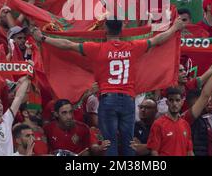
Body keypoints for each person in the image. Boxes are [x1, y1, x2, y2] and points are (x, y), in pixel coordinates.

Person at [34, 17, 185, 156]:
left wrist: (43, 38)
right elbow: (157, 40)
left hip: (108, 100)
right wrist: (174, 28)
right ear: (121, 30)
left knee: (109, 143)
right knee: (129, 143)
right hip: (128, 100)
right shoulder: (133, 46)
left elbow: (67, 45)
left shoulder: (97, 48)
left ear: (105, 28)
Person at [183, 56, 212, 156]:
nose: (206, 102)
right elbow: (205, 95)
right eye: (200, 101)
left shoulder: (204, 119)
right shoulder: (188, 118)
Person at [146, 87, 193, 156]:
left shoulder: (186, 125)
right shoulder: (158, 124)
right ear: (167, 102)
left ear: (182, 102)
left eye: (177, 100)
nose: (174, 103)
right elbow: (154, 152)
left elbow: (189, 151)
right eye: (171, 100)